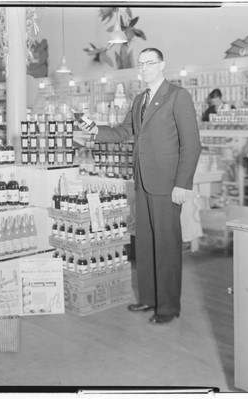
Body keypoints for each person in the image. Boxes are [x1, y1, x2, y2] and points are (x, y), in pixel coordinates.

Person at [77, 48, 201, 324]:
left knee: (166, 246)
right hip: (143, 182)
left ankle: (168, 307)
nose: (144, 68)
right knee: (144, 243)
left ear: (162, 65)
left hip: (168, 184)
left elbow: (191, 144)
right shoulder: (139, 99)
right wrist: (94, 129)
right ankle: (148, 298)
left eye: (150, 63)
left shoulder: (178, 96)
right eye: (141, 64)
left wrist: (183, 184)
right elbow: (124, 133)